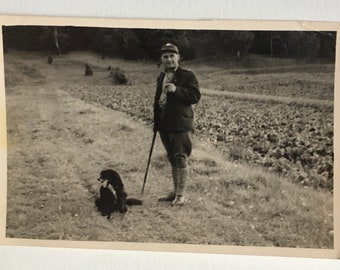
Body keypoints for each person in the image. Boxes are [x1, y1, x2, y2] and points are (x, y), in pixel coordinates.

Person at [153, 43, 201, 206]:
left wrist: (176, 90)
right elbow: (158, 100)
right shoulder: (161, 77)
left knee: (180, 158)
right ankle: (175, 192)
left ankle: (181, 195)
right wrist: (156, 122)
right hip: (164, 124)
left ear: (178, 57)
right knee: (172, 158)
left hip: (180, 123)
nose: (168, 59)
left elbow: (195, 96)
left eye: (172, 56)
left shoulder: (188, 75)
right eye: (165, 56)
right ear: (161, 59)